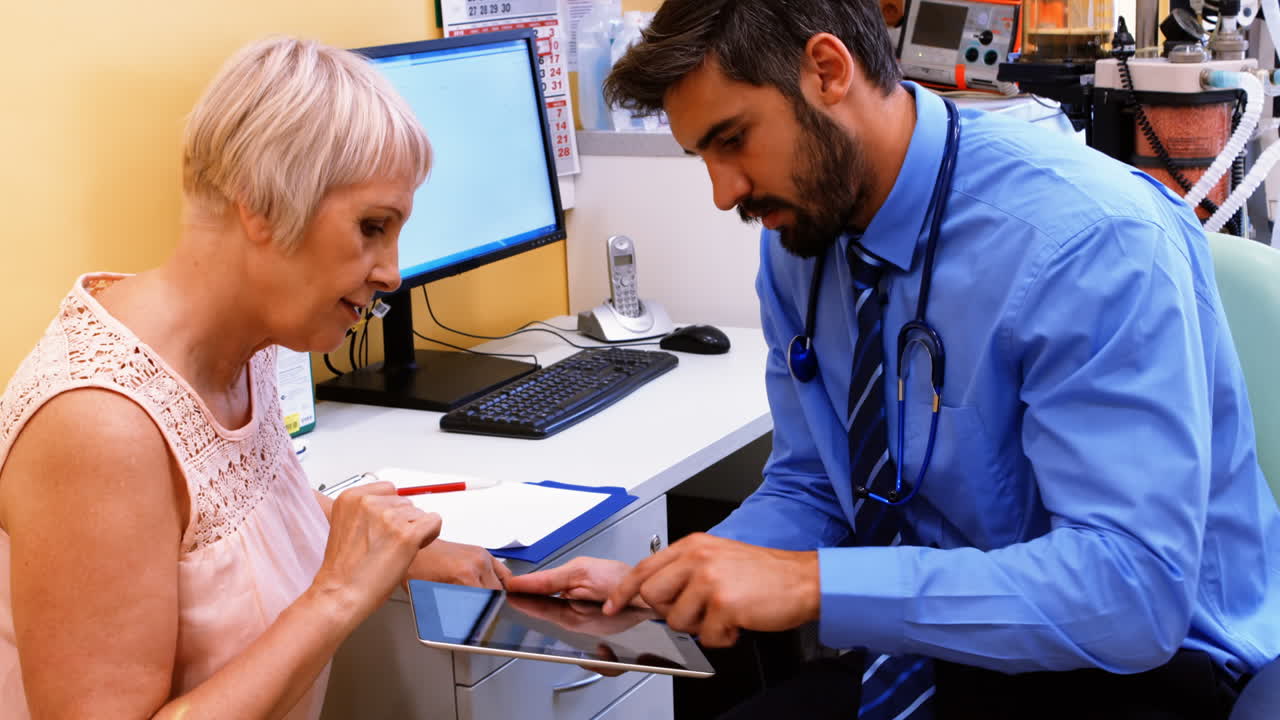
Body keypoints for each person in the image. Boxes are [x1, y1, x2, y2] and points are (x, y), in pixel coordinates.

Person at [507, 0, 1280, 717]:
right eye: (700, 155)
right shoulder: (802, 238)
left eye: (733, 139)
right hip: (948, 648)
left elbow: (1130, 595)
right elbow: (815, 483)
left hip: (1145, 668)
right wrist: (675, 579)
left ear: (828, 70)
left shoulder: (1089, 241)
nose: (723, 191)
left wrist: (809, 584)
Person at [0, 36, 511, 719]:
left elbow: (238, 520)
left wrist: (407, 553)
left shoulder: (249, 345)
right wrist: (337, 595)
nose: (392, 272)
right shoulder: (99, 427)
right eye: (371, 226)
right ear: (260, 205)